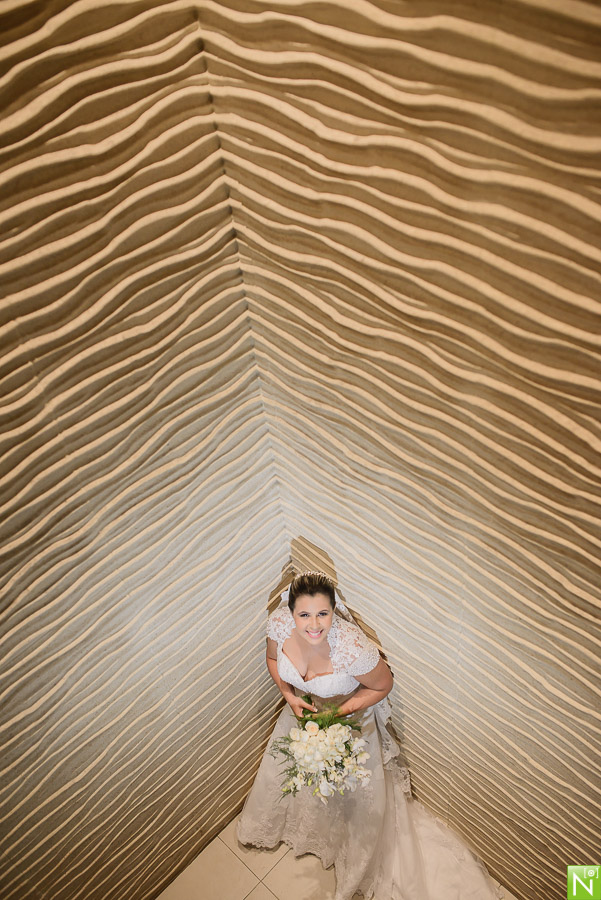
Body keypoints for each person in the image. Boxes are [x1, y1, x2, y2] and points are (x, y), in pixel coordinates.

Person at [236, 571, 504, 900]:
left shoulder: (350, 647)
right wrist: (290, 696)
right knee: (303, 778)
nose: (314, 625)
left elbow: (383, 685)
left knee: (349, 794)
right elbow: (272, 658)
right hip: (302, 716)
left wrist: (338, 713)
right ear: (291, 613)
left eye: (323, 614)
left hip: (348, 724)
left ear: (333, 611)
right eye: (304, 615)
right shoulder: (279, 625)